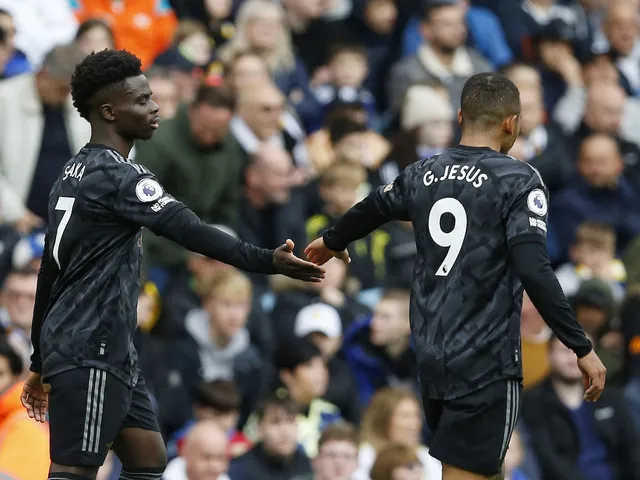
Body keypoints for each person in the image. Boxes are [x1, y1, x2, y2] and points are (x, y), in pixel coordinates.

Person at [19, 49, 325, 480]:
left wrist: (39, 359)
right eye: (142, 100)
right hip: (91, 345)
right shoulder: (123, 178)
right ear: (109, 112)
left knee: (148, 457)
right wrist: (266, 260)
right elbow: (191, 230)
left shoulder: (72, 172)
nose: (156, 107)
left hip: (104, 346)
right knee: (75, 470)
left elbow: (50, 271)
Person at [305, 72, 607, 480]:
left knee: (483, 469)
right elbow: (533, 267)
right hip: (484, 357)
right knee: (468, 472)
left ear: (461, 117)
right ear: (512, 123)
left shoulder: (422, 172)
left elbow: (373, 206)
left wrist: (331, 240)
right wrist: (580, 345)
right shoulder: (518, 180)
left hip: (432, 354)